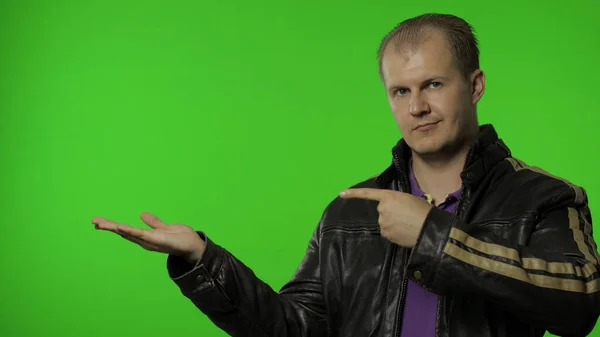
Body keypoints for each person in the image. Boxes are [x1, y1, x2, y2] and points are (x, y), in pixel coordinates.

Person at [93, 13, 600, 337]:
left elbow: (580, 305)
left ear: (475, 85)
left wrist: (432, 236)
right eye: (400, 91)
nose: (418, 106)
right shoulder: (351, 211)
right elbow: (295, 330)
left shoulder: (545, 197)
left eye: (433, 84)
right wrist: (203, 259)